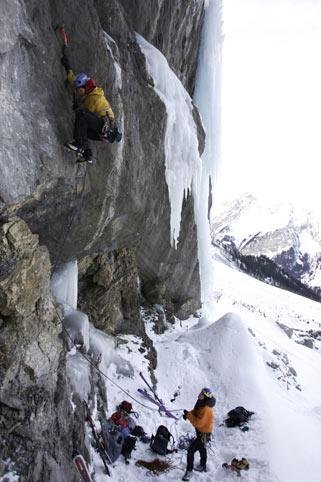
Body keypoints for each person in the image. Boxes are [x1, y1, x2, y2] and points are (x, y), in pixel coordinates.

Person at [61, 53, 118, 162]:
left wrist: (78, 107)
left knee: (81, 114)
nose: (77, 92)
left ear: (84, 87)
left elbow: (84, 112)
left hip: (105, 128)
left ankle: (79, 145)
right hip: (104, 131)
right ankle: (87, 154)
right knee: (83, 129)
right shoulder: (89, 91)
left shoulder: (94, 98)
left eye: (78, 90)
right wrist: (67, 67)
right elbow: (75, 83)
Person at [182, 387, 216, 481]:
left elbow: (198, 423)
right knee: (202, 448)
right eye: (200, 392)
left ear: (205, 397)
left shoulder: (206, 409)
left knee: (190, 450)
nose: (199, 394)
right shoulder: (200, 403)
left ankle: (189, 471)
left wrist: (188, 416)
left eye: (202, 393)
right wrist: (188, 413)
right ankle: (202, 465)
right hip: (201, 432)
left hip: (204, 434)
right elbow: (195, 411)